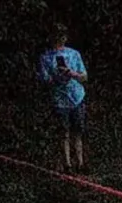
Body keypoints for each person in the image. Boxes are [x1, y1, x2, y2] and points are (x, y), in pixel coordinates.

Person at [37, 23, 88, 172]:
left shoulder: (74, 54)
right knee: (63, 132)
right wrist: (56, 76)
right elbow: (45, 80)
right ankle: (68, 165)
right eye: (57, 36)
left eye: (62, 35)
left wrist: (71, 73)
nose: (60, 39)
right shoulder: (45, 57)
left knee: (78, 131)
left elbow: (84, 76)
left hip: (76, 97)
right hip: (59, 100)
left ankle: (80, 163)